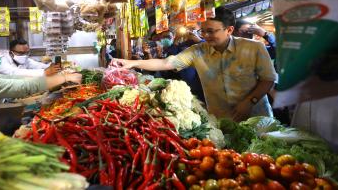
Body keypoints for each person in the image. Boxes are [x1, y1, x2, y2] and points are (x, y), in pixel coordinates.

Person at [113, 7, 277, 121]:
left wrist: (250, 102)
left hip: (257, 118)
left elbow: (268, 79)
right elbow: (166, 63)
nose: (206, 35)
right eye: (203, 31)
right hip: (223, 122)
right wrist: (131, 63)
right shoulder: (198, 51)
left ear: (229, 30)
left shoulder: (254, 47)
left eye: (211, 31)